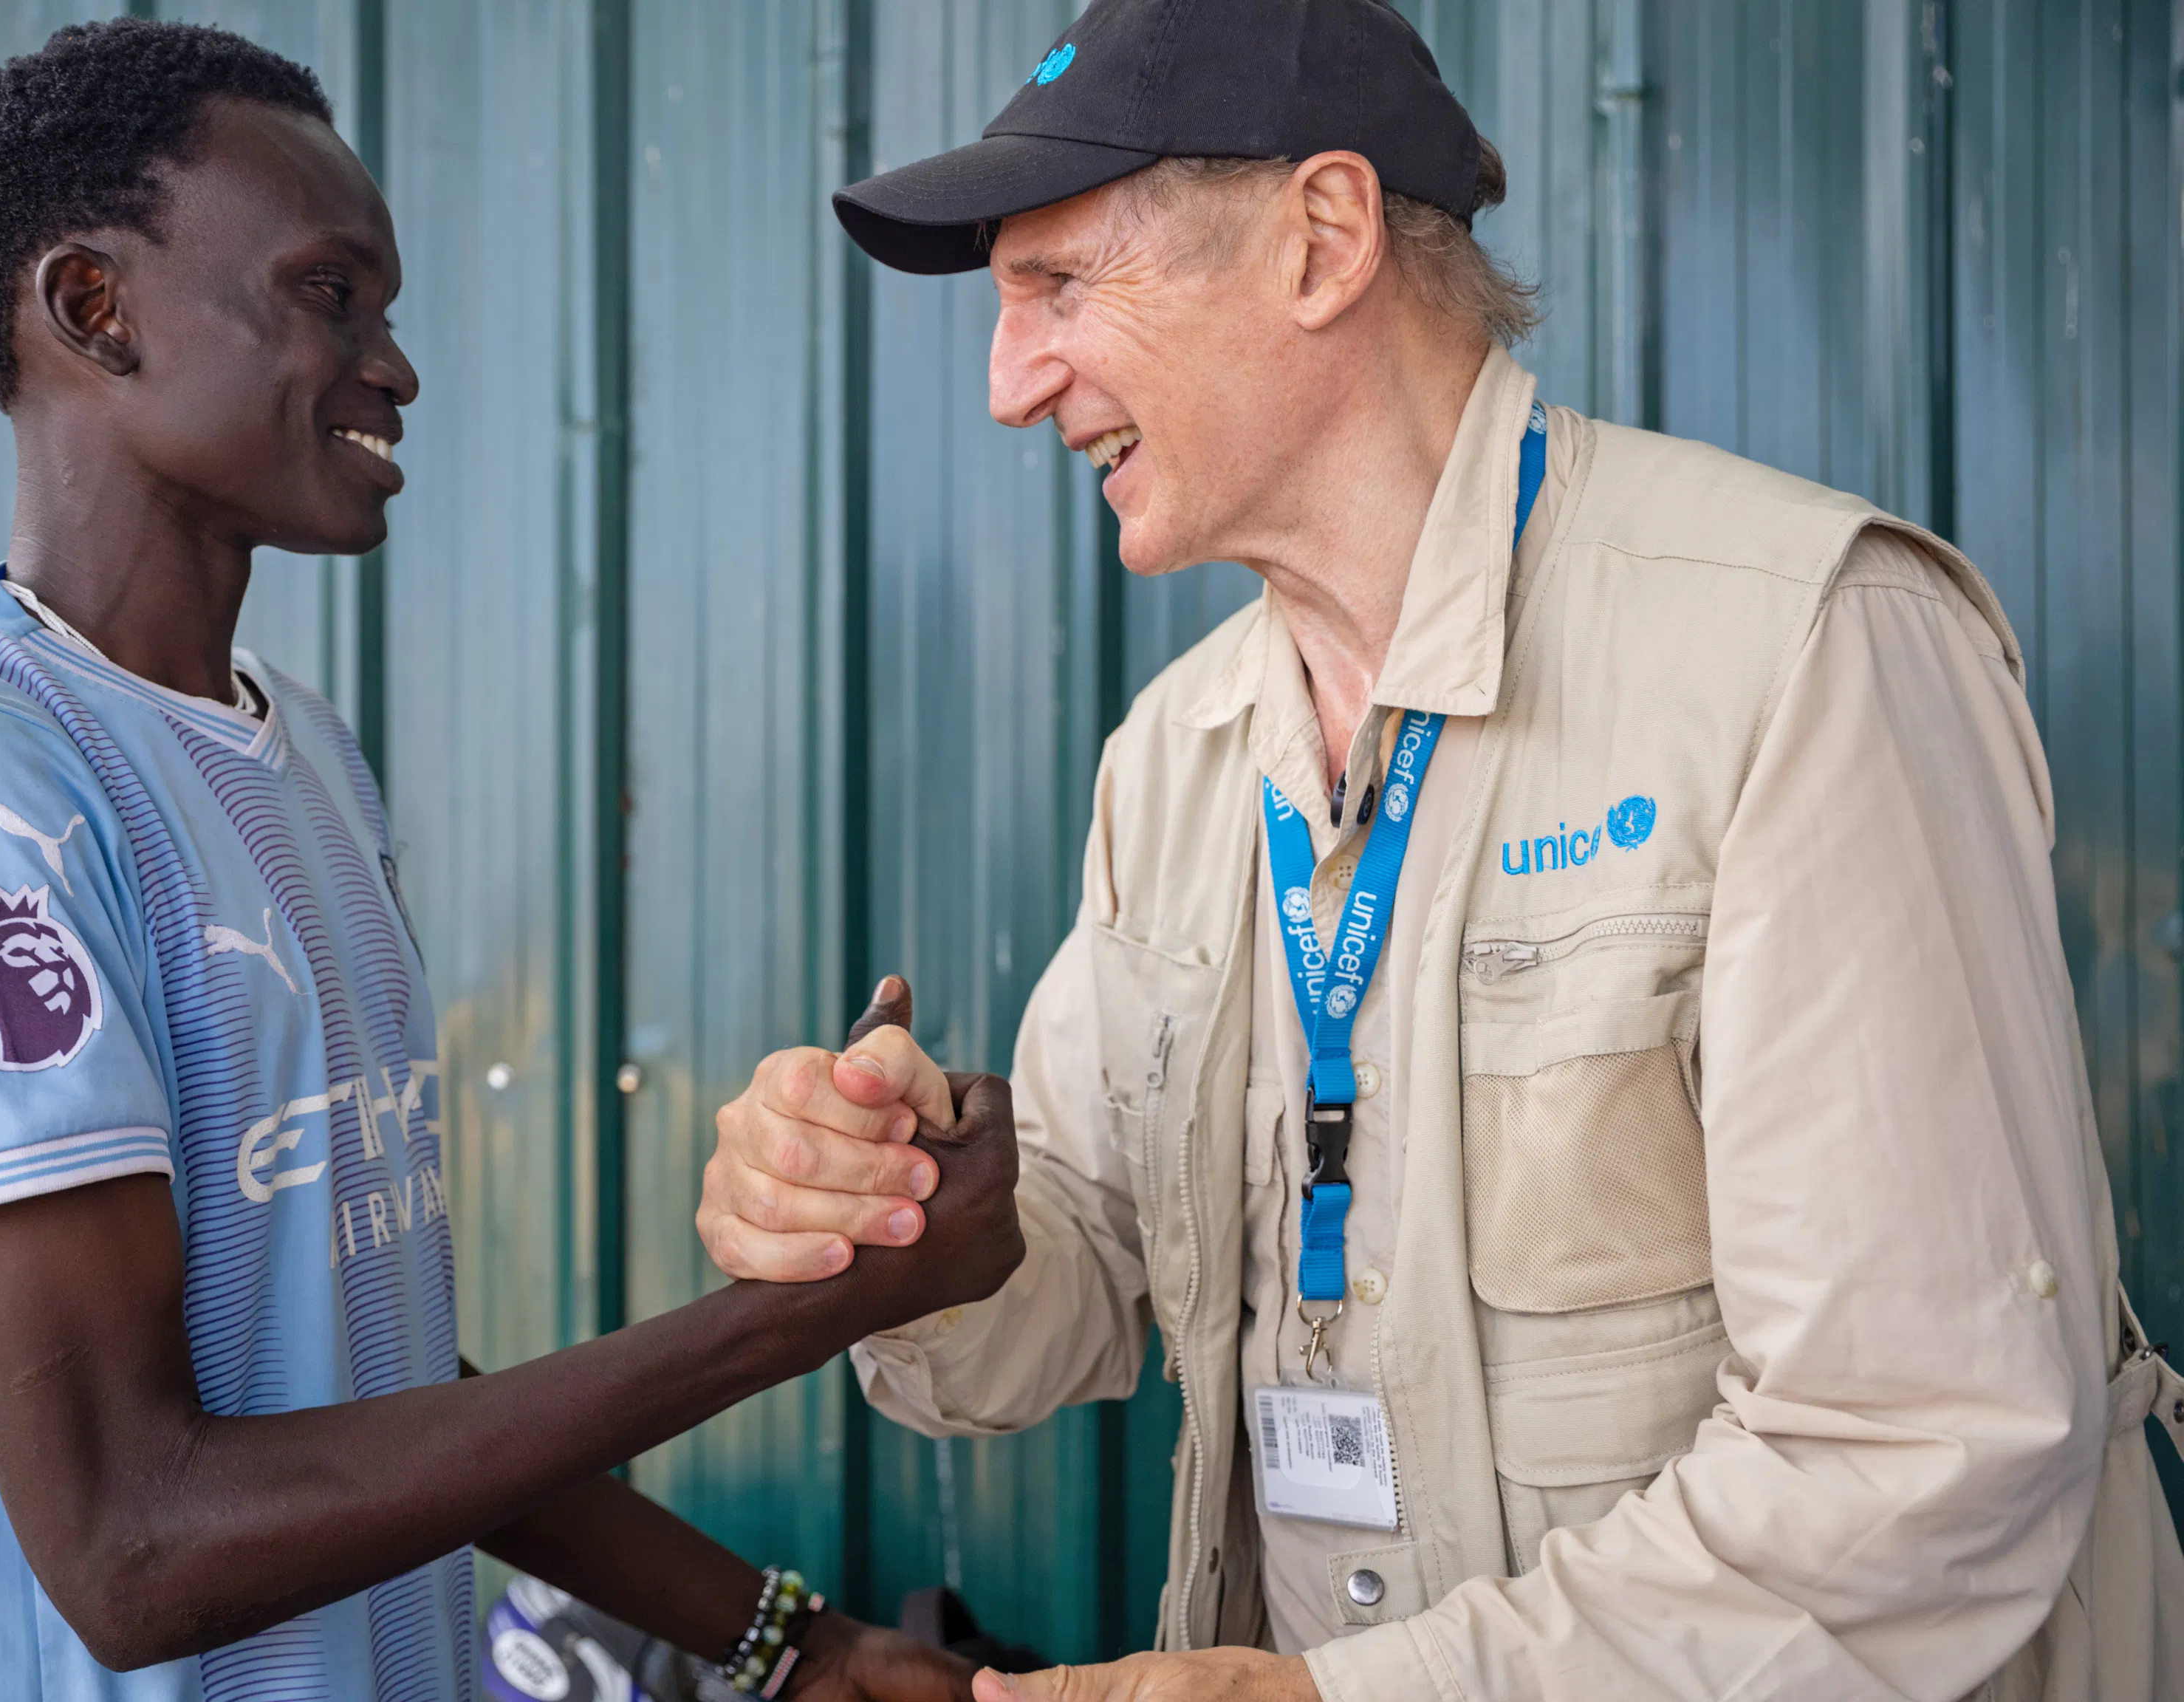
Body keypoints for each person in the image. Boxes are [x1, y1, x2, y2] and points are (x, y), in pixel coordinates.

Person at [695, 1, 2184, 1698]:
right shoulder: (1175, 760)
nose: (1007, 384)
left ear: (1321, 240)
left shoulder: (1804, 651)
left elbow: (1929, 1448)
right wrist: (892, 1225)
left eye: (1057, 286)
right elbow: (1078, 1283)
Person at [0, 21, 1019, 1700]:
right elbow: (134, 1552)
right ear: (96, 309)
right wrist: (808, 1308)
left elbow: (348, 1374)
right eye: (328, 295)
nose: (396, 363)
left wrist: (783, 1643)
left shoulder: (301, 753)